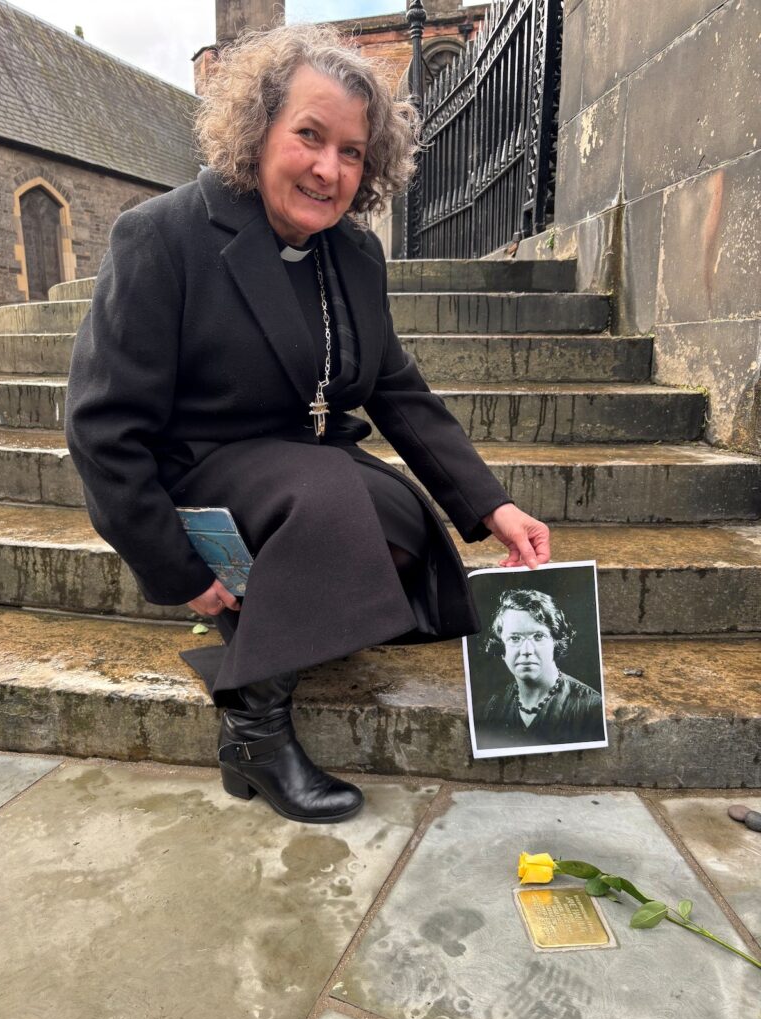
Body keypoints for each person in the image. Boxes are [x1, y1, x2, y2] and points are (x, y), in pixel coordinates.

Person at [65, 24, 550, 824]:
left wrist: (491, 506)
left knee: (399, 517)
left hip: (302, 470)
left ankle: (289, 612)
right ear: (260, 131)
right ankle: (254, 734)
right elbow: (100, 428)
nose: (329, 169)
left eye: (352, 152)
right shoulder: (163, 235)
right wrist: (177, 568)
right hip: (202, 471)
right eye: (310, 137)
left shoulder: (353, 255)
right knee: (331, 498)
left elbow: (396, 388)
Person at [475, 589, 603, 749]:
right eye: (514, 638)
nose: (527, 650)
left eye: (538, 636)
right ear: (501, 648)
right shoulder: (492, 708)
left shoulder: (592, 708)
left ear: (555, 642)